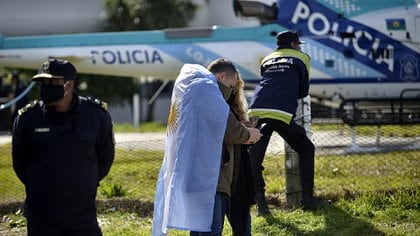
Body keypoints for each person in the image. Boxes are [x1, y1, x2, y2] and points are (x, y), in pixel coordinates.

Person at [152, 59, 261, 236]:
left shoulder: (193, 93)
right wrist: (250, 134)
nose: (232, 91)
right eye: (231, 85)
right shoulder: (211, 95)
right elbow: (229, 129)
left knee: (199, 227)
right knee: (211, 228)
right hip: (211, 180)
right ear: (223, 76)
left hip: (193, 176)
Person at [12, 59, 115, 235]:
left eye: (53, 82)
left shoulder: (95, 115)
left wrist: (83, 182)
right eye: (43, 82)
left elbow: (104, 158)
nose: (46, 86)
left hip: (81, 214)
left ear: (69, 85)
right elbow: (20, 164)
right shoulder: (28, 119)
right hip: (41, 216)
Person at [248, 30, 317, 214]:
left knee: (253, 160)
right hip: (280, 112)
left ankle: (261, 205)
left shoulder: (267, 59)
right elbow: (303, 91)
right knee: (306, 149)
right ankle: (308, 201)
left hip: (256, 109)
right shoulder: (302, 58)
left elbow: (268, 81)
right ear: (295, 44)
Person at [226, 77, 257, 236]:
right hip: (235, 174)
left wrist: (244, 130)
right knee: (241, 224)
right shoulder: (226, 106)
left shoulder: (231, 106)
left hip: (236, 171)